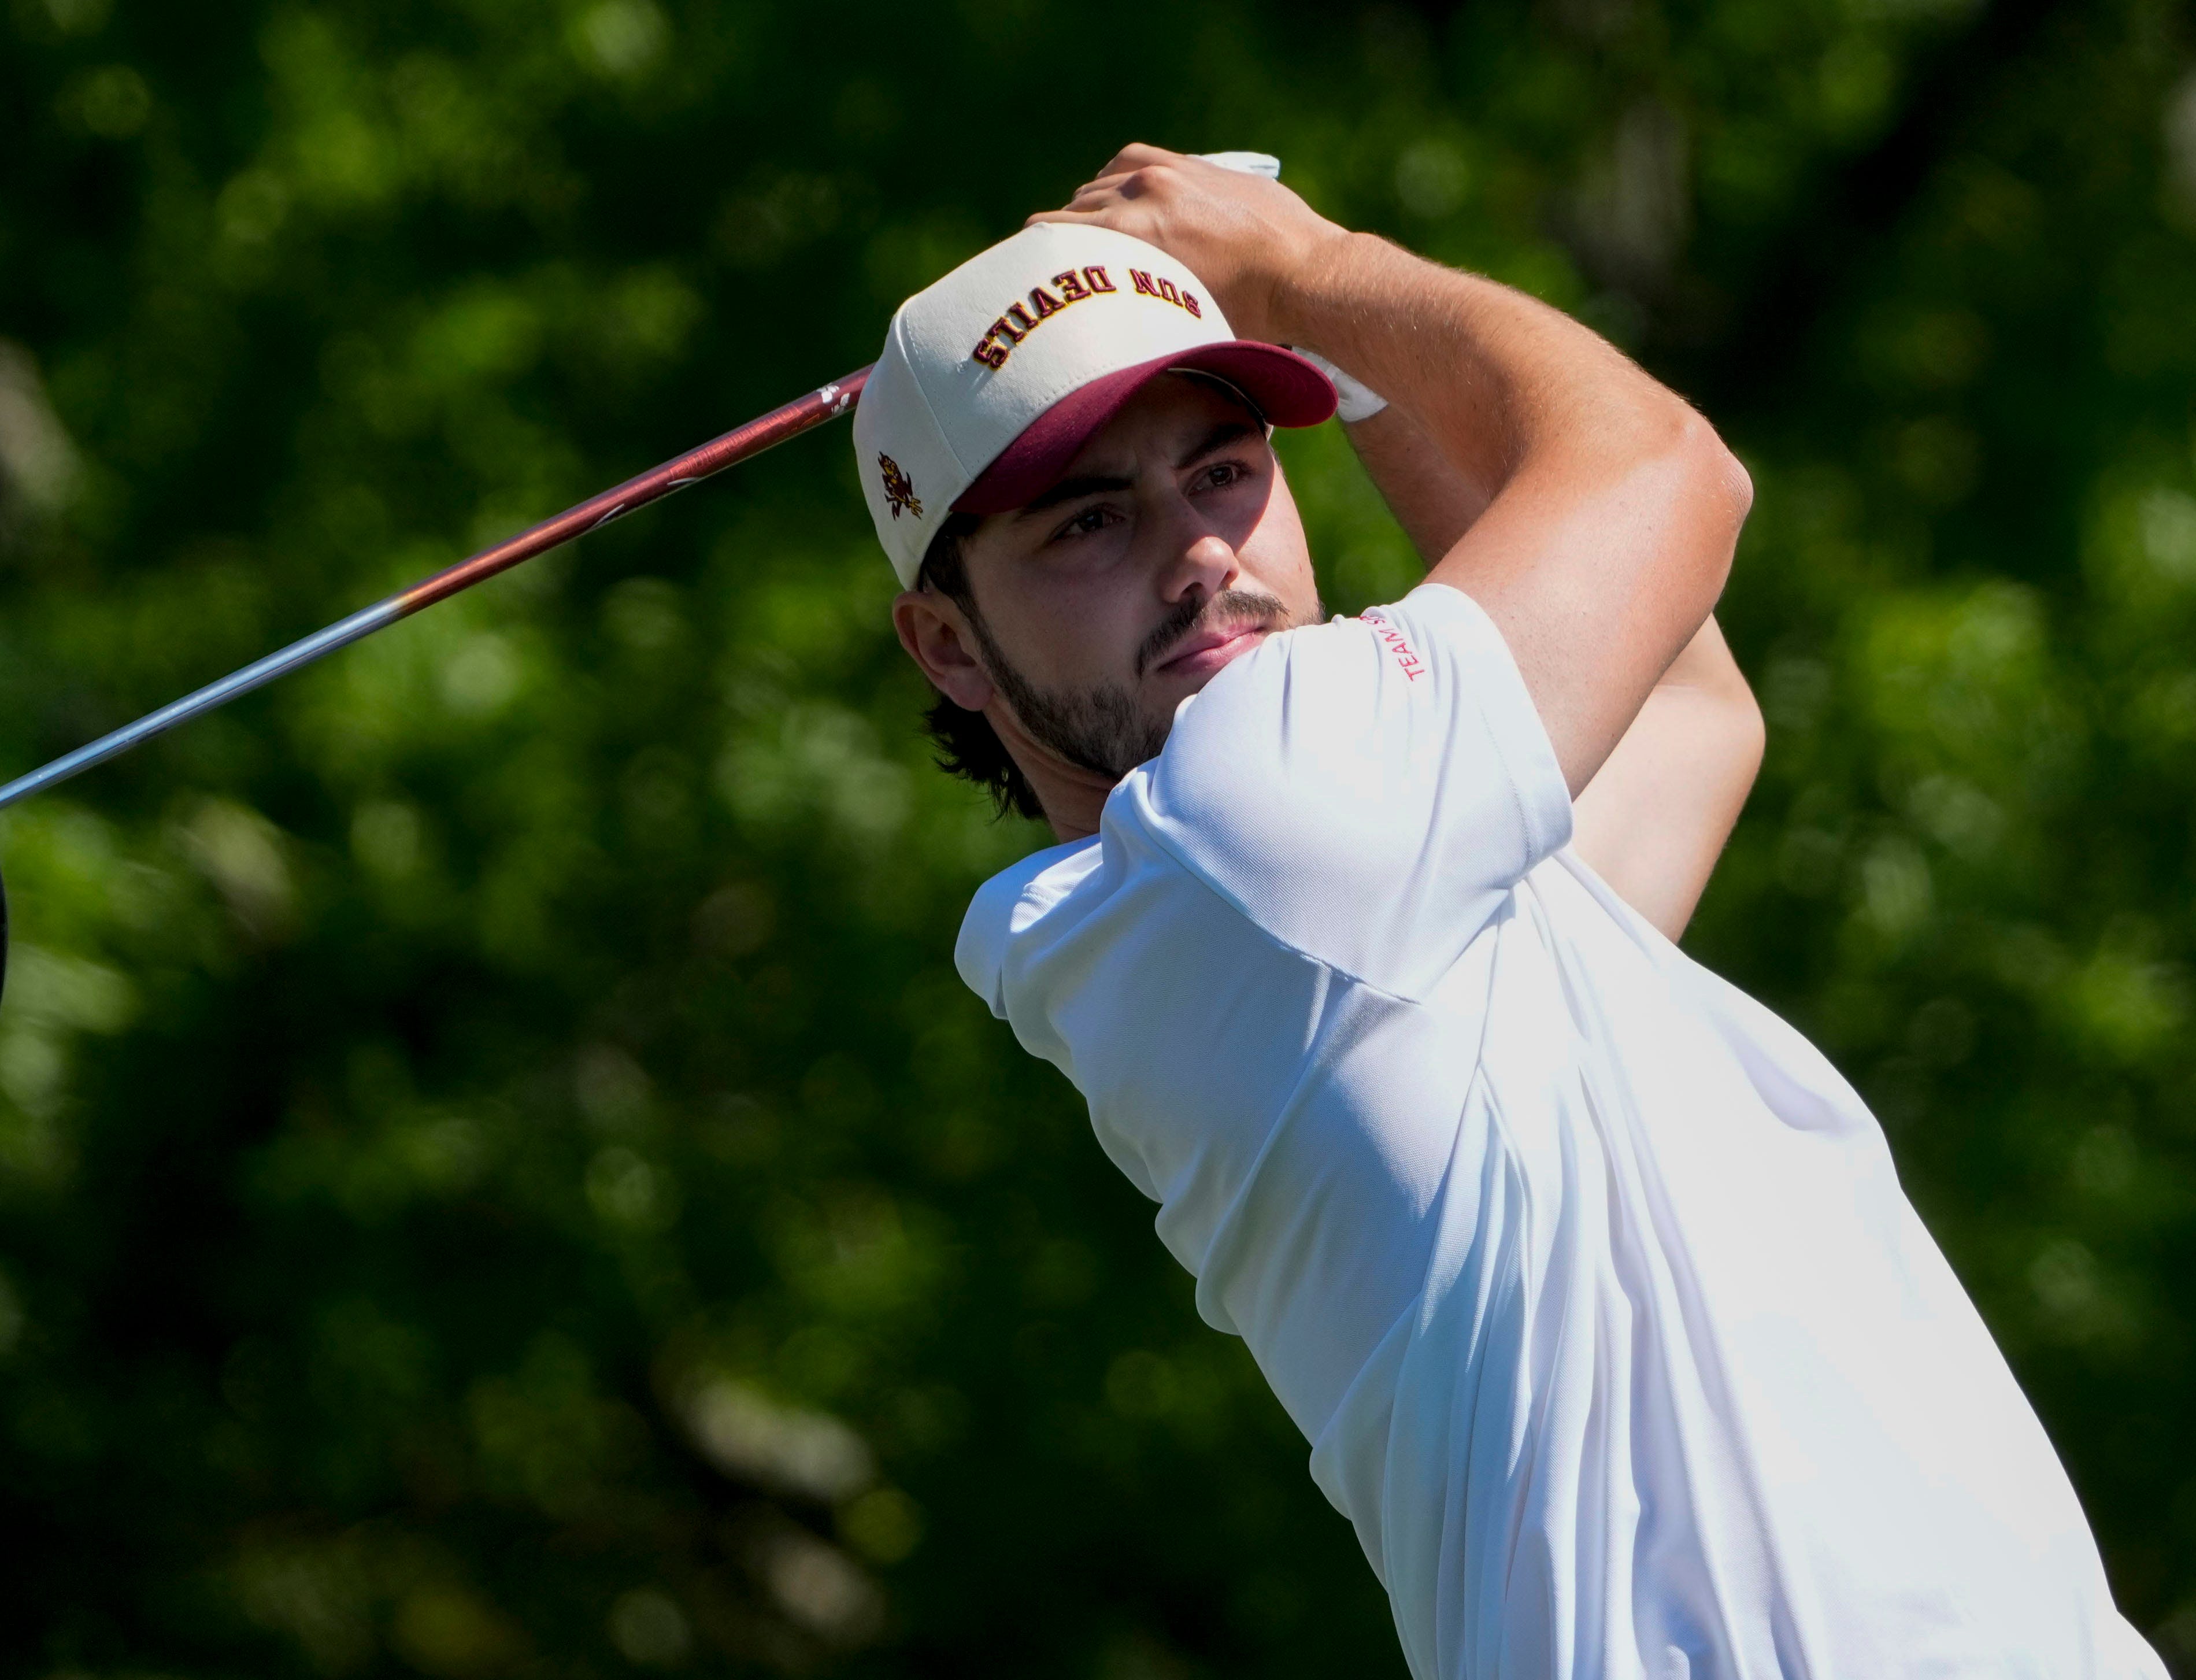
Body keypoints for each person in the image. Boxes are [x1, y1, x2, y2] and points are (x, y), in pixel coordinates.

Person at [851, 145, 2164, 1678]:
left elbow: (1686, 701)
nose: (1200, 551)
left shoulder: (1351, 879)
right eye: (1086, 521)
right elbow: (1676, 473)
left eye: (1225, 468)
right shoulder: (1258, 828)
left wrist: (1311, 316)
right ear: (948, 644)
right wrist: (1307, 263)